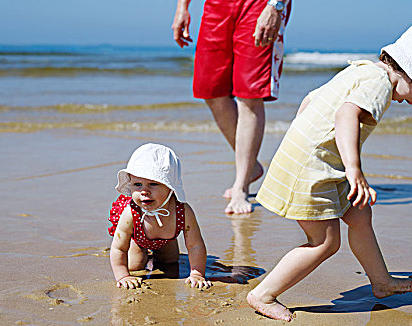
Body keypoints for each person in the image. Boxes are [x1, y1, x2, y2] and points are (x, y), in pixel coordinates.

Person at [247, 23, 412, 321]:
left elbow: (310, 99)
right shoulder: (380, 84)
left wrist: (305, 140)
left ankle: (382, 282)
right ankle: (263, 294)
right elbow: (346, 114)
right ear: (410, 73)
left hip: (318, 161)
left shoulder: (363, 70)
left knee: (359, 214)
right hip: (312, 167)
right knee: (325, 242)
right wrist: (354, 171)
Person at [172, 0, 292, 214]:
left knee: (250, 94)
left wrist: (275, 6)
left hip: (260, 4)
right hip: (216, 5)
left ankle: (241, 186)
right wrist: (182, 7)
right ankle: (251, 167)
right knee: (211, 90)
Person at [108, 143, 212, 289]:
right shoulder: (131, 212)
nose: (144, 191)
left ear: (170, 187)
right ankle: (140, 249)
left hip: (166, 239)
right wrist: (123, 276)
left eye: (153, 184)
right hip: (139, 238)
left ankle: (158, 249)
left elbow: (195, 245)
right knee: (135, 265)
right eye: (137, 184)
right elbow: (119, 248)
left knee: (170, 261)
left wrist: (197, 273)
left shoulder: (182, 211)